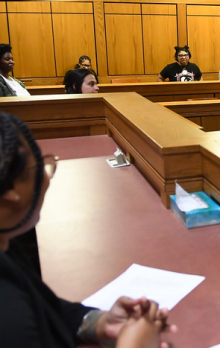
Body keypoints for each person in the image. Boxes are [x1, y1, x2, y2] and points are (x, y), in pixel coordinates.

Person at [0, 112, 176, 347]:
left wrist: (99, 322)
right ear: (11, 190)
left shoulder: (6, 245)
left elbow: (47, 309)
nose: (48, 178)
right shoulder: (11, 321)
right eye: (40, 166)